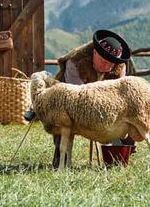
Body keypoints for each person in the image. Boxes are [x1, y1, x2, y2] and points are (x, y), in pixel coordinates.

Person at [27, 29, 132, 168]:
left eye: (110, 64)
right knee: (62, 120)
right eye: (103, 61)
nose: (107, 67)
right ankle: (61, 161)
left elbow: (118, 91)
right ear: (95, 52)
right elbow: (75, 96)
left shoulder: (118, 66)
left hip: (103, 99)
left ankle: (116, 161)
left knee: (122, 119)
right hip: (68, 97)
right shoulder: (76, 62)